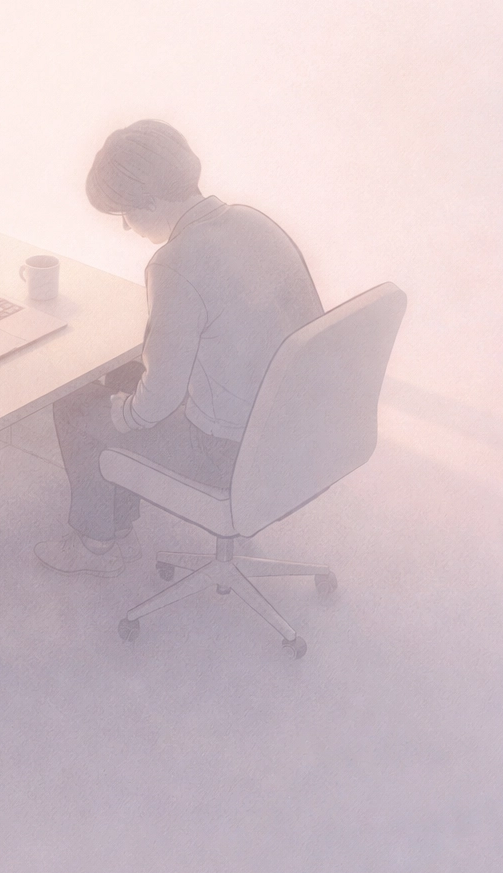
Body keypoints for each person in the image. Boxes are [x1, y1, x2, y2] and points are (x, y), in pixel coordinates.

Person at [34, 119, 325, 576]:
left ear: (147, 199)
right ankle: (118, 522)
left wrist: (123, 416)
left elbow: (158, 401)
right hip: (299, 429)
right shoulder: (252, 221)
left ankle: (98, 544)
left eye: (124, 213)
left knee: (75, 406)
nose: (127, 228)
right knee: (127, 378)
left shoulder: (174, 262)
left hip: (228, 451)